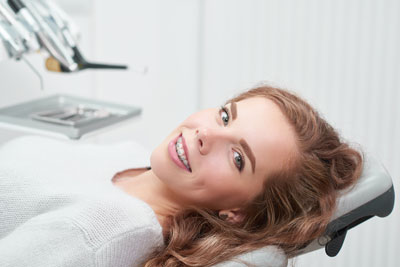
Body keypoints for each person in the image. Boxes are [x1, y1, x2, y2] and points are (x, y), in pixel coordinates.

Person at [0, 85, 363, 267]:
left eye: (238, 158)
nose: (207, 134)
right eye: (225, 116)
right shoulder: (136, 157)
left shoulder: (100, 231)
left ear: (237, 211)